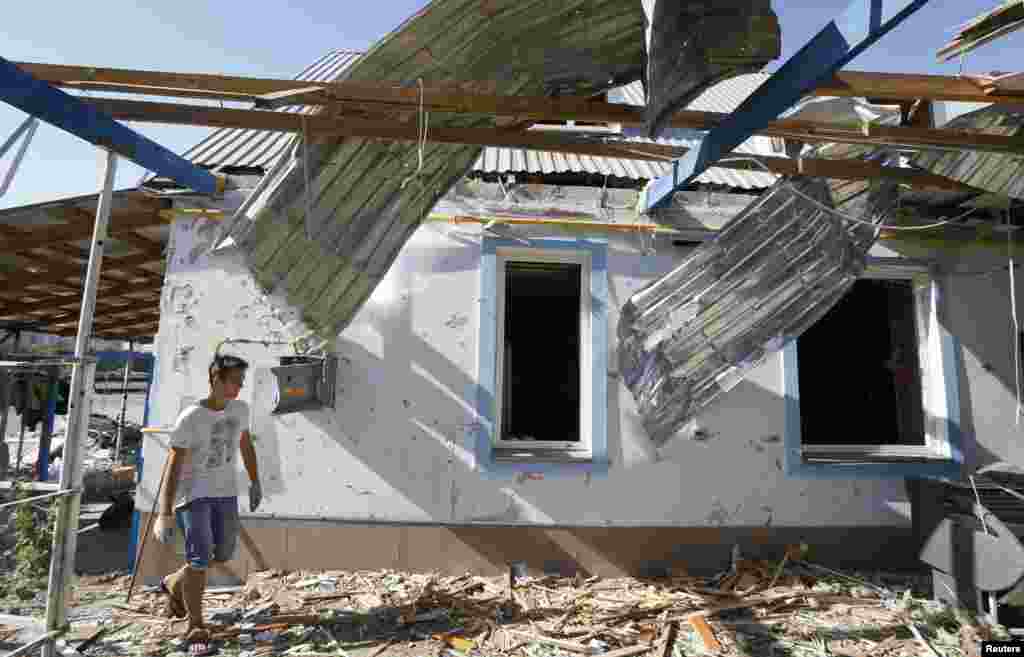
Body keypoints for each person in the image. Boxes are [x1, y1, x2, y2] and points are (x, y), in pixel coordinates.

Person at [153, 354, 263, 650]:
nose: (239, 387)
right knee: (200, 559)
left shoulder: (240, 409)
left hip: (226, 493)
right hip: (195, 496)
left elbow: (245, 443)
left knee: (223, 553)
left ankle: (175, 583)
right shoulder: (191, 417)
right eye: (234, 381)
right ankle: (195, 624)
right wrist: (164, 512)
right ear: (216, 379)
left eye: (241, 382)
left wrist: (255, 481)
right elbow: (173, 464)